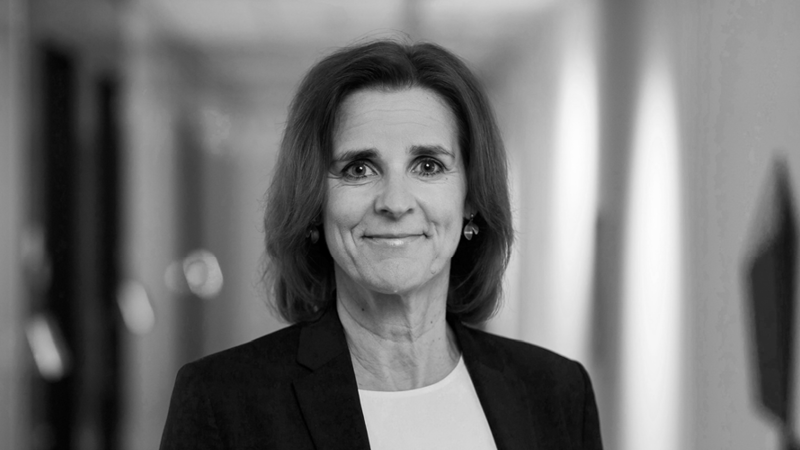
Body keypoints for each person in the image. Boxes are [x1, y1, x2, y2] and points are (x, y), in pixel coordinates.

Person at [160, 39, 603, 450]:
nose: (394, 202)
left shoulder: (557, 393)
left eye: (428, 166)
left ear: (470, 197)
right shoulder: (223, 402)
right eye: (359, 169)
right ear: (314, 201)